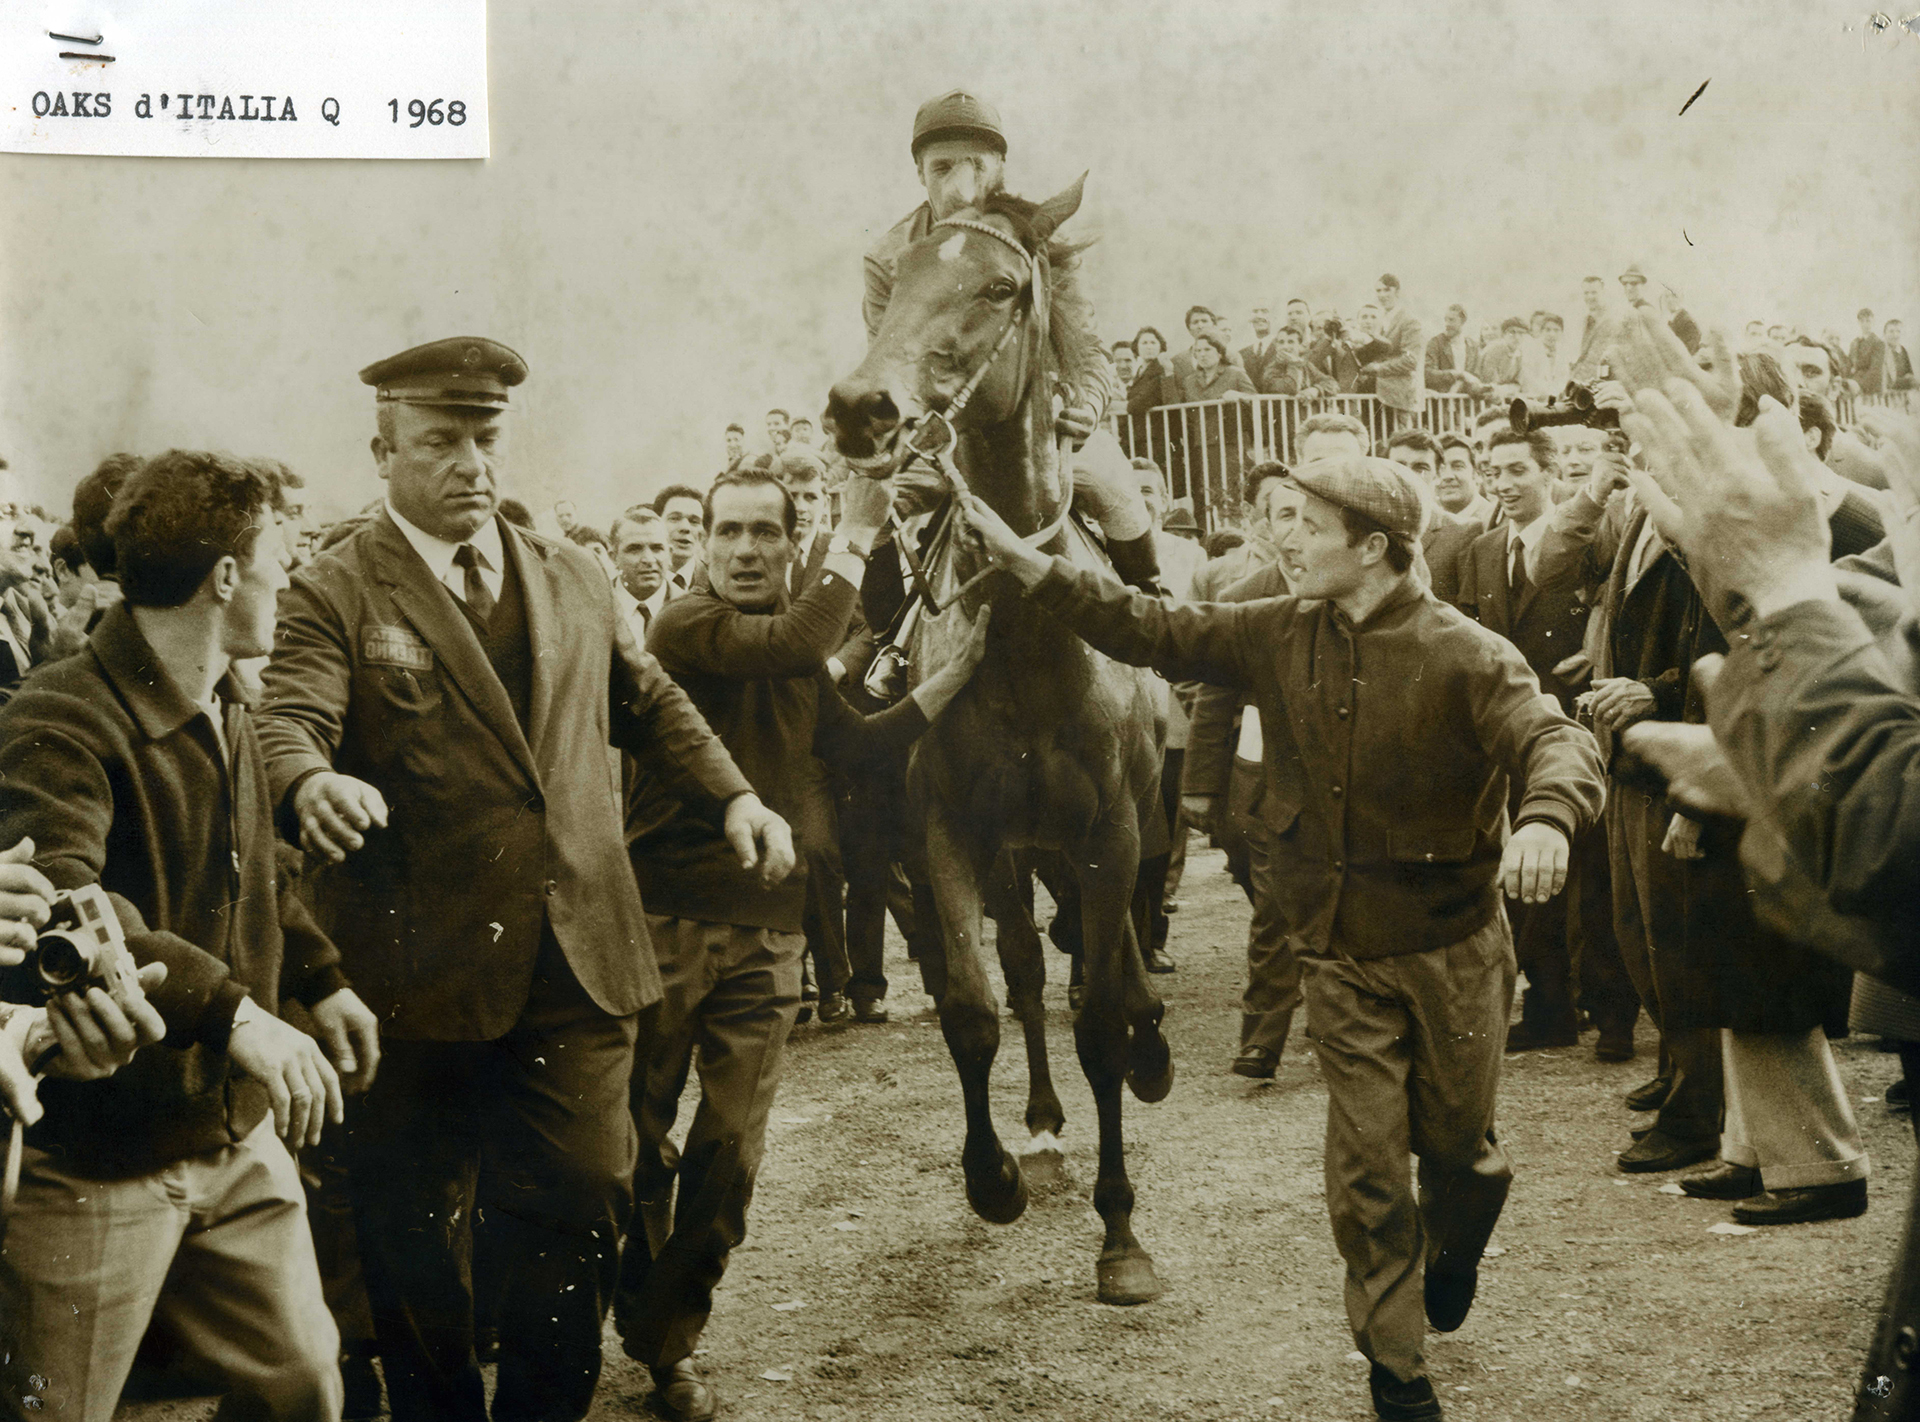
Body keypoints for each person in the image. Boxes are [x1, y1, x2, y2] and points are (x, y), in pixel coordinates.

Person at [962, 453, 1604, 1422]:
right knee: (1369, 1168)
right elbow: (1151, 627)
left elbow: (1553, 740)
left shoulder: (1467, 652)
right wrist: (1028, 564)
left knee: (1459, 1154)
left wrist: (1547, 817)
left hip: (1453, 951)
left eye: (1308, 524)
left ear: (1375, 547)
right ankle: (1398, 1372)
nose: (1285, 537)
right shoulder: (1272, 632)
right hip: (1337, 953)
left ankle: (1458, 1242)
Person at [257, 338, 789, 1422]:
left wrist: (734, 795)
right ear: (384, 452)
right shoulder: (337, 589)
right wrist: (307, 781)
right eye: (440, 441)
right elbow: (289, 713)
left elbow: (650, 704)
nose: (470, 463)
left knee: (590, 1193)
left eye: (485, 438)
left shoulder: (572, 575)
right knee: (411, 1231)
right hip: (418, 980)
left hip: (577, 963)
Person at [0, 449, 367, 1422]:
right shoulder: (59, 713)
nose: (292, 578)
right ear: (229, 577)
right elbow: (70, 904)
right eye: (281, 557)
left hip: (230, 1135)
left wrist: (320, 978)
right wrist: (236, 1012)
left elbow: (252, 874)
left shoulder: (228, 697)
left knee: (302, 1388)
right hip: (98, 1164)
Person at [617, 466, 986, 1418]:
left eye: (764, 534)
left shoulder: (789, 658)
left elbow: (857, 744)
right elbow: (800, 635)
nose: (745, 550)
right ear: (703, 544)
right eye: (727, 532)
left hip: (770, 934)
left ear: (789, 545)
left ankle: (668, 1338)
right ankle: (643, 1306)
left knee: (732, 1152)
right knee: (631, 1141)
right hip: (661, 922)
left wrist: (956, 674)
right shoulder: (686, 629)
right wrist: (858, 534)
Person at [1453, 428, 1639, 1060]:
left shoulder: (1589, 533)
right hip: (1512, 737)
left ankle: (1613, 1017)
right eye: (1493, 471)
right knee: (1530, 879)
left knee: (1596, 876)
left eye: (1516, 471)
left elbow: (1616, 599)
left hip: (1581, 728)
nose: (1503, 484)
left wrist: (1597, 637)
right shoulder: (1480, 551)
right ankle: (1551, 1007)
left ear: (1552, 471)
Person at [863, 89, 1114, 447]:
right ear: (920, 173)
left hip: (1044, 431)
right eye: (942, 167)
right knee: (868, 495)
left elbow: (1088, 346)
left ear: (999, 168)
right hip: (934, 436)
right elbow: (885, 361)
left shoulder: (1046, 238)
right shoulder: (888, 256)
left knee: (1121, 497)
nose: (960, 184)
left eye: (977, 165)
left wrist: (1088, 406)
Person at [1181, 468, 1301, 1078]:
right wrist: (1200, 785)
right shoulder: (1243, 599)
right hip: (1268, 773)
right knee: (1271, 901)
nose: (1298, 529)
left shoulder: (1372, 588)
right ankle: (1264, 1036)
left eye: (1310, 515)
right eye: (1284, 515)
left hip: (1356, 771)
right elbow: (1214, 697)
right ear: (1263, 527)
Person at [1181, 332, 1256, 491]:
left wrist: (1239, 395)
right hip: (1203, 443)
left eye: (1207, 350)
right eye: (1198, 351)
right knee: (1210, 491)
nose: (1202, 354)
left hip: (1232, 442)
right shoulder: (1189, 381)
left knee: (1236, 489)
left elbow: (1256, 401)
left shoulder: (1235, 373)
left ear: (1220, 352)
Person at [1364, 275, 1423, 432]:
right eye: (1378, 291)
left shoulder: (1409, 321)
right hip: (1379, 396)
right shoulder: (1381, 320)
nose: (1382, 295)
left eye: (1387, 290)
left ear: (1398, 292)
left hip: (1399, 399)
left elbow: (1411, 360)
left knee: (1399, 444)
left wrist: (1378, 368)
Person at [611, 505, 672, 644]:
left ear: (670, 554)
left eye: (657, 548)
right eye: (635, 549)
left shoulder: (694, 612)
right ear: (614, 557)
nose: (648, 559)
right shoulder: (592, 609)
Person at [655, 483, 708, 597]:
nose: (685, 528)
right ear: (656, 523)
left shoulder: (716, 583)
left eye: (694, 521)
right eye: (674, 519)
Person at [1425, 305, 1486, 398]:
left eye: (1451, 320)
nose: (1447, 324)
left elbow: (1477, 377)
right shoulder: (1435, 343)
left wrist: (1460, 384)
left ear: (1462, 322)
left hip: (1466, 404)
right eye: (1445, 320)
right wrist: (1458, 374)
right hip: (1441, 403)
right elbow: (1428, 374)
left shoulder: (1473, 347)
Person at [1241, 303, 1284, 391]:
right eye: (1255, 311)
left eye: (1264, 311)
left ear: (1274, 316)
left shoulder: (1284, 347)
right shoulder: (1242, 354)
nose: (1259, 316)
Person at [1852, 308, 1888, 397]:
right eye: (1862, 321)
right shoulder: (1855, 343)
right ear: (1858, 323)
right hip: (1856, 385)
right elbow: (1850, 365)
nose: (1865, 324)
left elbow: (1875, 369)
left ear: (1873, 322)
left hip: (1872, 389)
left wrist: (1858, 384)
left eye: (1868, 321)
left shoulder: (1879, 343)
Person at [1887, 319, 1914, 391]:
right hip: (1888, 390)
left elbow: (1909, 372)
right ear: (1885, 333)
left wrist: (1909, 377)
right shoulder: (1882, 351)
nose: (1895, 335)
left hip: (1904, 389)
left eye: (1898, 331)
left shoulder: (1903, 350)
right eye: (1891, 331)